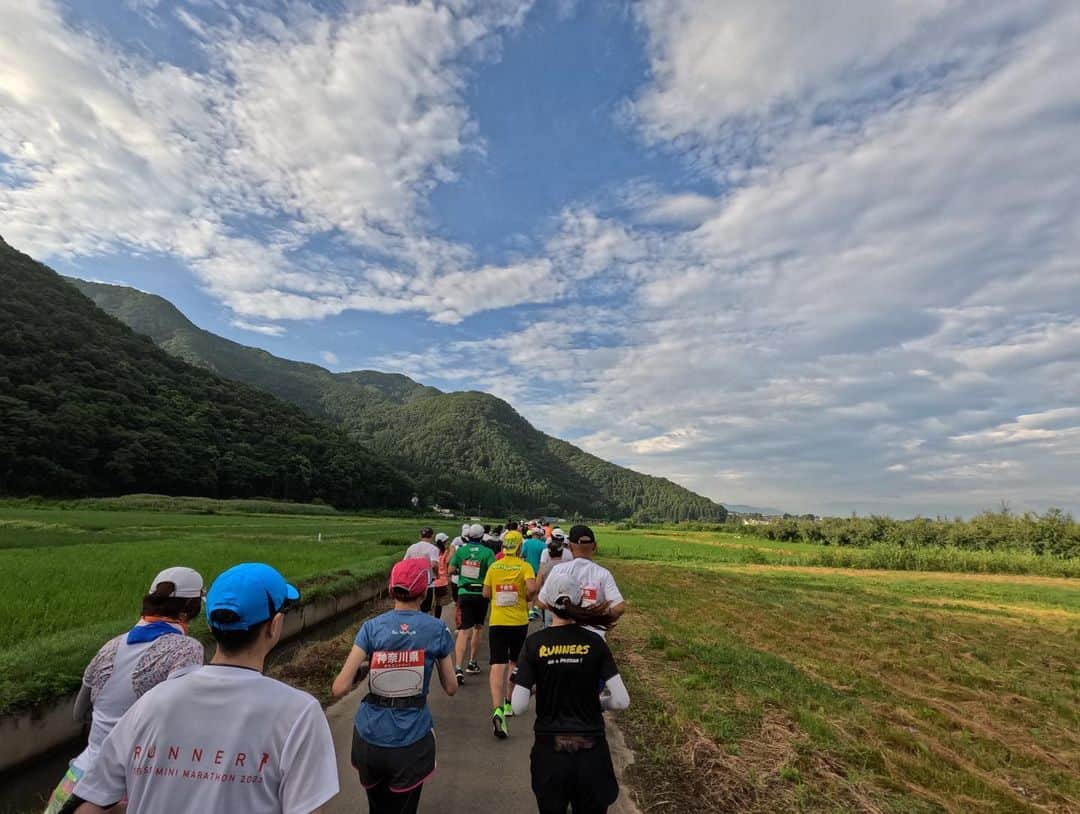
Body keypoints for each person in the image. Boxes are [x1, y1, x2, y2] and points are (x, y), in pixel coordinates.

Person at [73, 563, 338, 814]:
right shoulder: (299, 714)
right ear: (275, 625)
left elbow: (91, 805)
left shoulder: (151, 702)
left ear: (211, 625)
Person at [45, 568, 206, 814]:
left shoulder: (111, 646)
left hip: (77, 779)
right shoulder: (187, 649)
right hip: (127, 789)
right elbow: (183, 723)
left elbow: (79, 713)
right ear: (190, 609)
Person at [332, 558, 456, 814]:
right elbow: (451, 687)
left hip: (369, 738)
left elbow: (339, 687)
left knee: (376, 807)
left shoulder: (371, 628)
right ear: (424, 593)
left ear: (391, 589)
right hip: (411, 740)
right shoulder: (437, 629)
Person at [512, 572, 629, 814]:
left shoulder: (534, 643)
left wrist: (536, 687)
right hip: (592, 750)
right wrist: (599, 703)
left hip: (550, 752)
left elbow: (518, 706)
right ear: (578, 601)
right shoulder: (596, 643)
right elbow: (621, 700)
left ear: (548, 602)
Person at [482, 531, 536, 738]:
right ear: (520, 547)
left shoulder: (495, 567)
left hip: (498, 622)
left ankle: (497, 709)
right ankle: (508, 702)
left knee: (497, 665)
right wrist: (526, 595)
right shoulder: (524, 566)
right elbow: (532, 587)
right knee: (515, 662)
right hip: (518, 622)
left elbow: (486, 593)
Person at [538, 525, 625, 639]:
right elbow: (619, 608)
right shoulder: (603, 573)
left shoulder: (558, 570)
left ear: (569, 546)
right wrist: (595, 619)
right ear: (595, 547)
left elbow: (541, 602)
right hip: (593, 639)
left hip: (563, 639)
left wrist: (564, 612)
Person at [448, 524, 496, 684]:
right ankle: (472, 663)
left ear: (468, 536)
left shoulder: (461, 551)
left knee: (463, 631)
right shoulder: (488, 552)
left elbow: (450, 569)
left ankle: (458, 667)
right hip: (481, 594)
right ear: (482, 537)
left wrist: (461, 571)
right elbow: (492, 571)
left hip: (464, 592)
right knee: (478, 627)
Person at [536, 530, 573, 627]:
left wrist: (538, 592)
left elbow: (541, 571)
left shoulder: (545, 553)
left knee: (548, 622)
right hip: (565, 593)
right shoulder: (569, 553)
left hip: (548, 593)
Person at [403, 527, 440, 614]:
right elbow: (434, 564)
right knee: (426, 610)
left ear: (420, 536)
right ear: (432, 536)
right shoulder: (433, 548)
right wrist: (437, 574)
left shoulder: (412, 547)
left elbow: (404, 563)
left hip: (413, 584)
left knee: (413, 608)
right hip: (427, 584)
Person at [521, 528, 547, 621]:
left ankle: (530, 611)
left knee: (529, 590)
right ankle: (536, 607)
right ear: (540, 535)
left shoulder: (527, 543)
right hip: (539, 570)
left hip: (528, 570)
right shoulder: (543, 545)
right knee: (537, 590)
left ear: (532, 534)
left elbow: (522, 555)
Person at [432, 533, 451, 620]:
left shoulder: (431, 551)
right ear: (444, 542)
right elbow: (448, 563)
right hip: (442, 581)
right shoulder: (446, 552)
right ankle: (436, 620)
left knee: (430, 603)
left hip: (431, 581)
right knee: (438, 603)